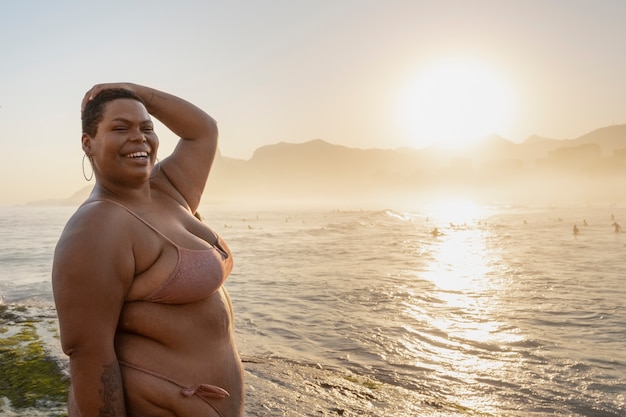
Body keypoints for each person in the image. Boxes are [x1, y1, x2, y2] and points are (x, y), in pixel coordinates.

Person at [52, 83, 243, 417]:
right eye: (120, 128)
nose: (138, 137)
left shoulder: (170, 189)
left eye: (146, 128)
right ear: (88, 144)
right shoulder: (96, 227)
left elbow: (203, 130)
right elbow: (88, 353)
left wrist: (128, 90)